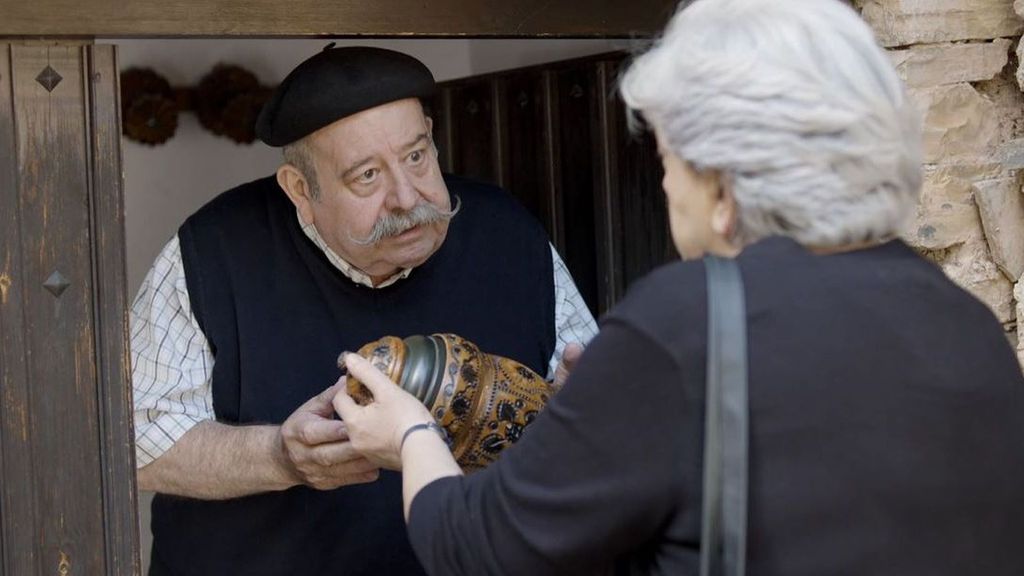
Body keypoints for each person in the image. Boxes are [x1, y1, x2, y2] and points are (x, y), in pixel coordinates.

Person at [333, 1, 1024, 574]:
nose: (666, 187)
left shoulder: (694, 322)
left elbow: (476, 548)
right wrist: (610, 405)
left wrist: (412, 434)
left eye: (670, 161)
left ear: (721, 186)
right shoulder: (964, 322)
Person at [129, 45, 597, 576]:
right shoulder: (212, 251)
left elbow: (598, 411)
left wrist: (575, 410)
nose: (406, 196)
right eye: (367, 177)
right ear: (301, 190)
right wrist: (278, 458)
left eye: (416, 156)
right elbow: (131, 441)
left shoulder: (508, 234)